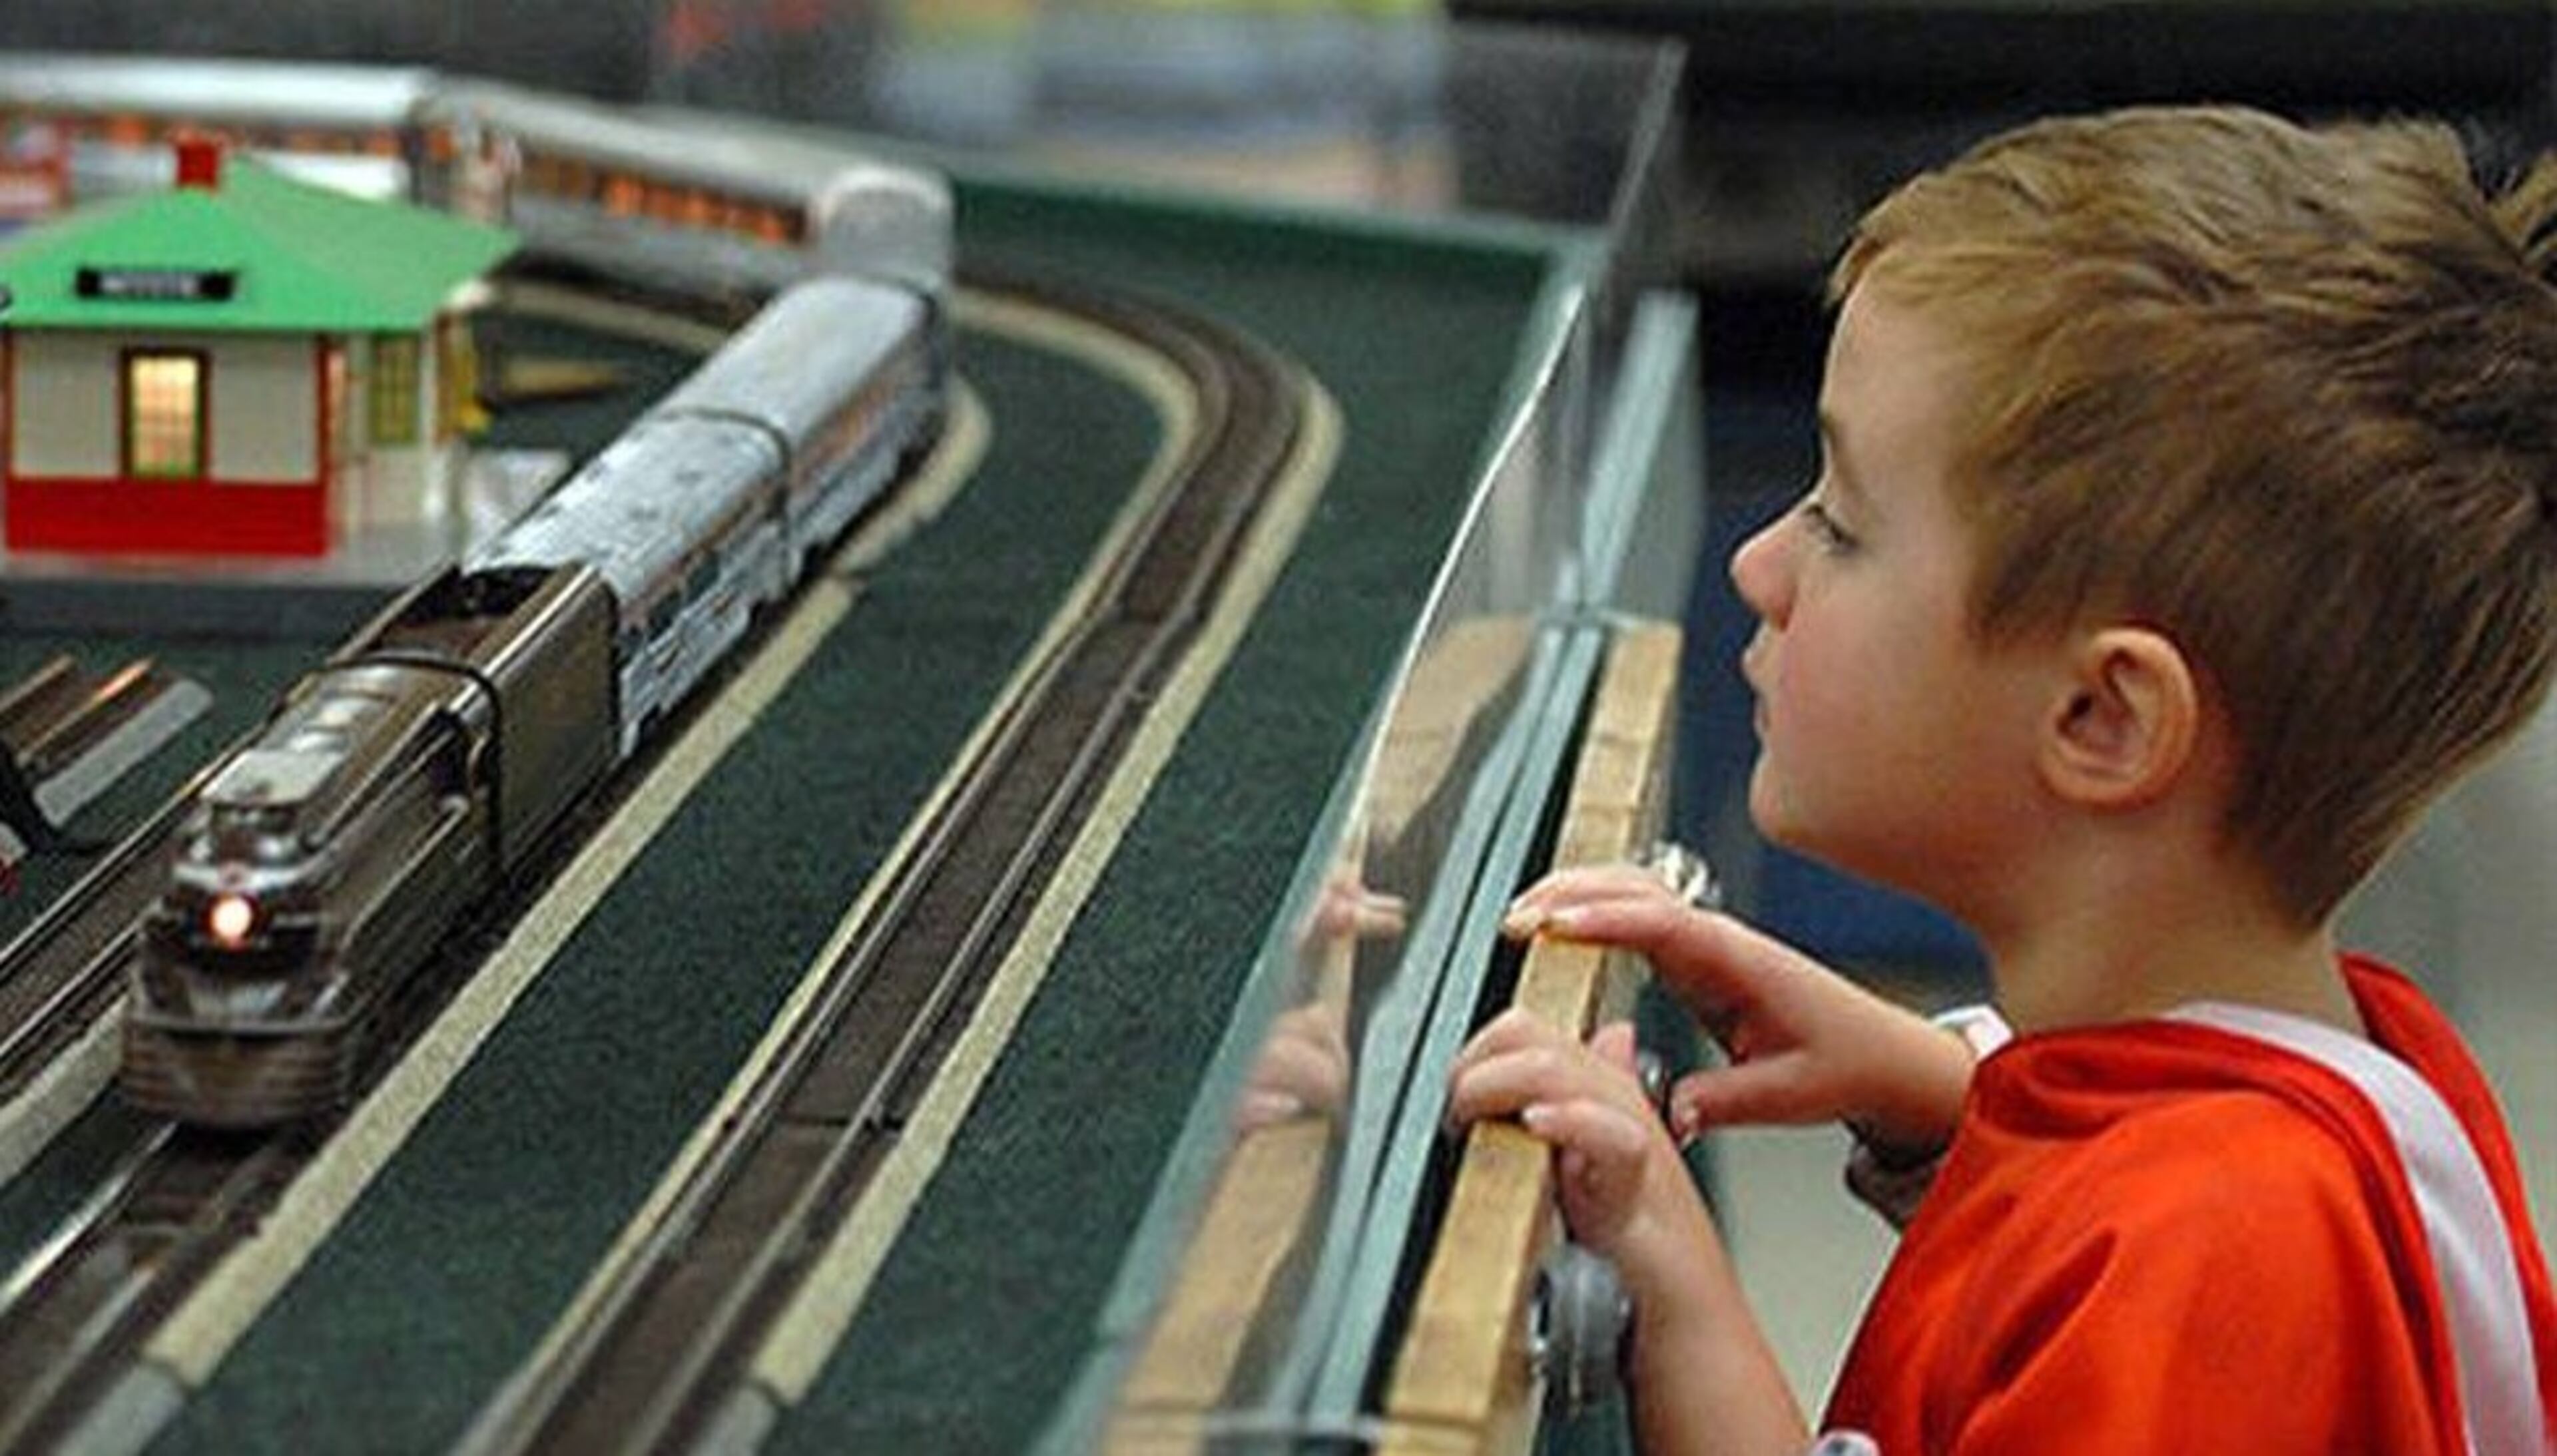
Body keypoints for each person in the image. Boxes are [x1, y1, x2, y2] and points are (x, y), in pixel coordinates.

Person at [1447, 105, 2557, 1454]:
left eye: (1841, 526)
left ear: (2102, 714)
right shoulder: (2363, 1080)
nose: (1760, 567)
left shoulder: (2199, 1275)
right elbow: (2176, 1144)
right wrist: (1951, 1096)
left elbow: (2162, 1262)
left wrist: (1673, 1294)